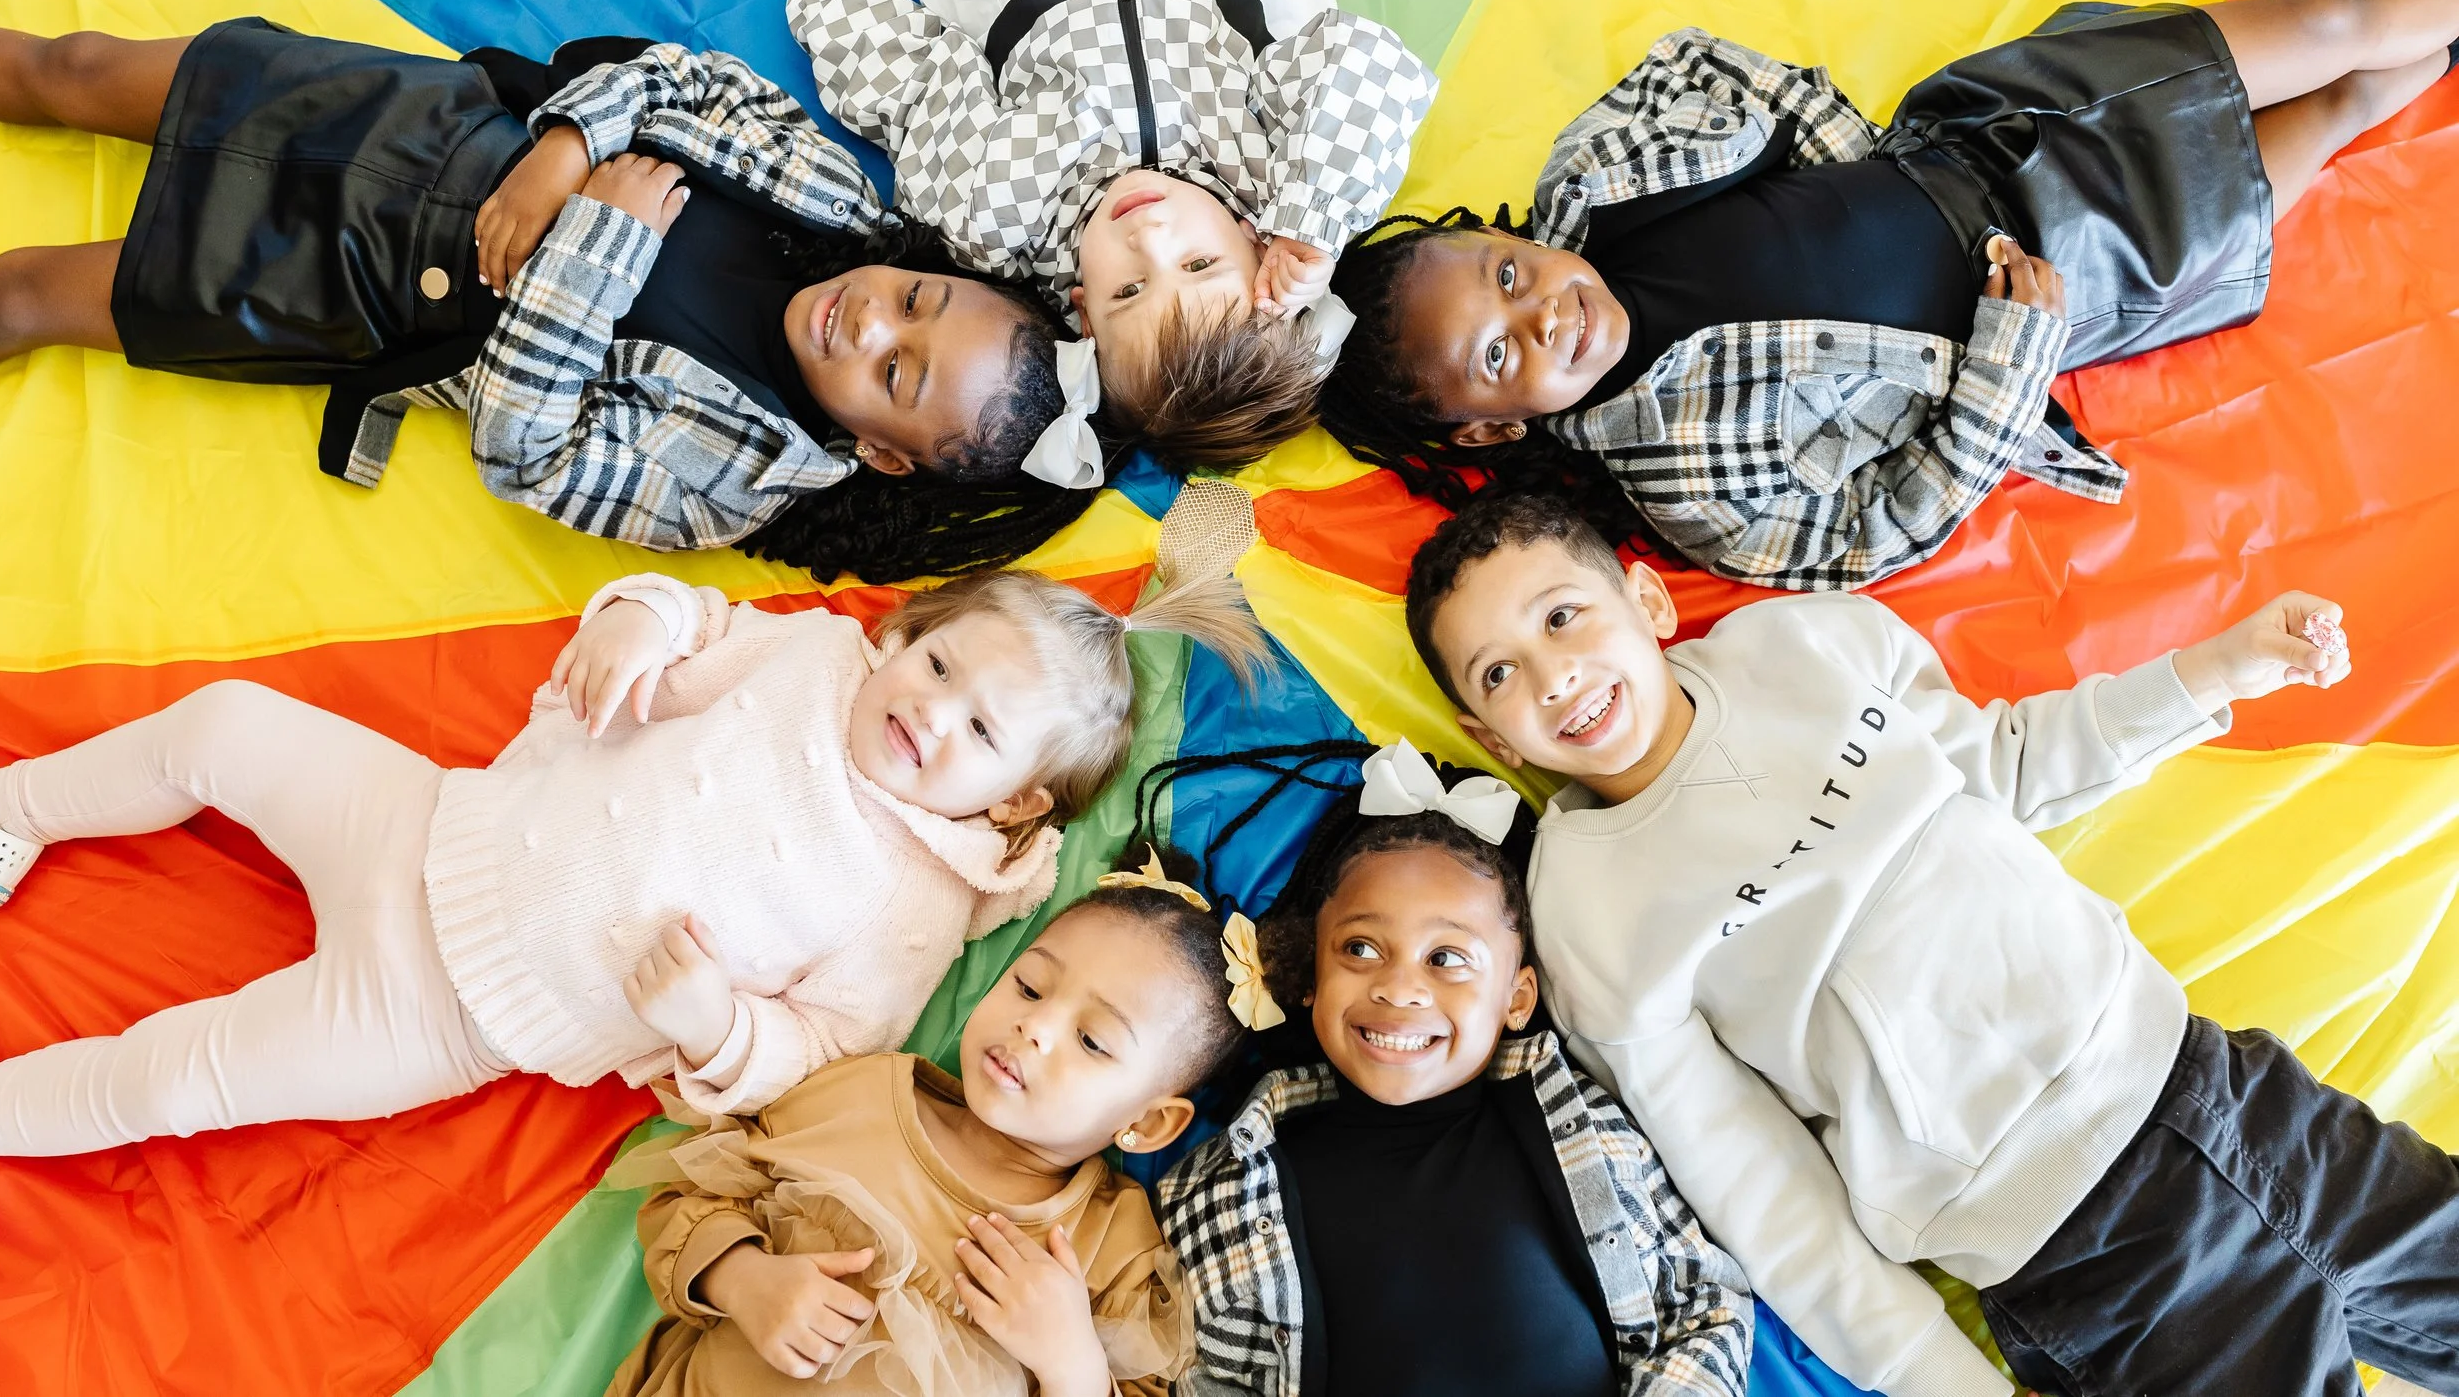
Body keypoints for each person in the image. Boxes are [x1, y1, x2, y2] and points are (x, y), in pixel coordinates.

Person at [1403, 493, 2459, 1397]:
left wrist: (2214, 671)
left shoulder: (1808, 645)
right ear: (1493, 738)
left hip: (2223, 1087)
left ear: (1648, 601)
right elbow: (1764, 1195)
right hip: (2086, 1254)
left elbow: (2002, 764)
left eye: (1564, 615)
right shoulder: (1586, 910)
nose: (1551, 675)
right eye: (1498, 674)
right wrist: (1943, 1377)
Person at [0, 557, 1269, 1171]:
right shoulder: (812, 657)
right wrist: (638, 623)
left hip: (447, 1012)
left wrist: (715, 1024)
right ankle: (5, 807)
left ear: (1019, 796)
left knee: (181, 1073)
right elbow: (689, 619)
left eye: (978, 729)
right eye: (939, 663)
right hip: (427, 822)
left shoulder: (913, 903)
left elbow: (817, 1047)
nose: (930, 708)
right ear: (906, 632)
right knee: (224, 723)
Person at [1321, 0, 2459, 588]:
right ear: (1486, 431)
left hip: (1994, 124)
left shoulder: (1601, 187)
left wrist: (1861, 159)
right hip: (2087, 269)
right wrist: (2008, 363)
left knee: (2332, 19)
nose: (1547, 312)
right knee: (2338, 106)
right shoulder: (1681, 487)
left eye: (1511, 274)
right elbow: (1875, 532)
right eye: (1500, 352)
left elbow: (1703, 70)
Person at [0, 22, 1117, 580]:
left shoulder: (735, 485)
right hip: (419, 125)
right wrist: (567, 150)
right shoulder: (830, 200)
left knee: (14, 298)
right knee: (74, 67)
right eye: (915, 298)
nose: (868, 320)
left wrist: (600, 242)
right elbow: (683, 77)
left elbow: (527, 452)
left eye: (894, 376)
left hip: (355, 289)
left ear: (884, 453)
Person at [753, 0, 1438, 473]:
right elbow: (1369, 65)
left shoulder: (997, 211)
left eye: (1130, 288)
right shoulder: (1275, 170)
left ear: (1081, 309)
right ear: (1251, 240)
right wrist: (1313, 219)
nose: (1150, 238)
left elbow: (909, 85)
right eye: (1202, 261)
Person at [1151, 738, 1752, 1397]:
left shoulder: (1579, 1122)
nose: (1400, 987)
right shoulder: (1224, 1183)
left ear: (1517, 998)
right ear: (1308, 977)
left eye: (1447, 958)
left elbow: (1705, 1305)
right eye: (1360, 947)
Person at [601, 840, 1249, 1397]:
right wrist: (744, 1277)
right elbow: (694, 1190)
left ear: (1149, 1124)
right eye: (1028, 986)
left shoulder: (1107, 1243)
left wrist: (1072, 1366)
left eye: (1093, 1040)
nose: (1037, 1026)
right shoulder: (857, 1094)